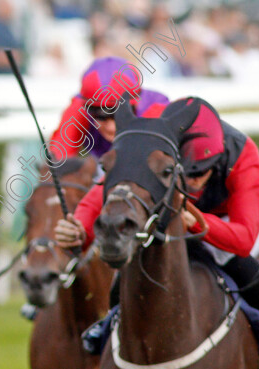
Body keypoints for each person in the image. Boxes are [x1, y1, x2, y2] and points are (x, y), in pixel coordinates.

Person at [56, 97, 259, 356]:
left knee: (228, 256)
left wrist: (197, 222)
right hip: (171, 210)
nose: (191, 184)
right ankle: (111, 321)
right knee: (136, 250)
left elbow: (244, 238)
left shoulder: (245, 161)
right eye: (185, 174)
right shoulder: (157, 148)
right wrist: (80, 229)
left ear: (215, 161)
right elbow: (105, 188)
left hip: (229, 222)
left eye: (198, 174)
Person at [20, 56, 169, 320]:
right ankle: (47, 271)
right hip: (104, 170)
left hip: (151, 179)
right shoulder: (77, 110)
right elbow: (60, 166)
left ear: (135, 103)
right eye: (100, 116)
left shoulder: (157, 110)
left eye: (118, 114)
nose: (110, 125)